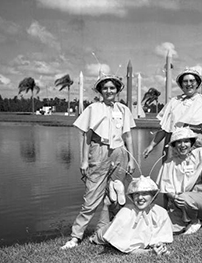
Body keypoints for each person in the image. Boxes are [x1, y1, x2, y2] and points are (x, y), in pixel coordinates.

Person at [143, 68, 202, 226]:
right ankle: (173, 215)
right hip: (174, 143)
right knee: (171, 181)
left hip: (196, 143)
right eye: (185, 81)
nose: (188, 84)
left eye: (192, 81)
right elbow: (165, 128)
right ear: (181, 84)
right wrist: (152, 144)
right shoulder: (174, 102)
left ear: (198, 83)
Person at [61, 75, 136, 249]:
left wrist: (132, 159)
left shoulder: (123, 109)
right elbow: (86, 136)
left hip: (119, 152)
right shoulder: (93, 108)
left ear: (117, 90)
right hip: (98, 151)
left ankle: (111, 230)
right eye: (105, 88)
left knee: (116, 194)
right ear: (100, 91)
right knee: (91, 197)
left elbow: (128, 136)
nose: (109, 91)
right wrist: (84, 161)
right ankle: (76, 237)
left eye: (112, 88)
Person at [90, 175, 173, 255]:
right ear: (132, 197)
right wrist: (150, 252)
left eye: (144, 193)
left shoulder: (160, 212)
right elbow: (126, 248)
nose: (140, 197)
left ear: (153, 196)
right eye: (136, 194)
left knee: (112, 217)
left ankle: (112, 200)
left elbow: (161, 235)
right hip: (105, 232)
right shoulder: (126, 213)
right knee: (100, 231)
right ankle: (108, 202)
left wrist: (159, 245)